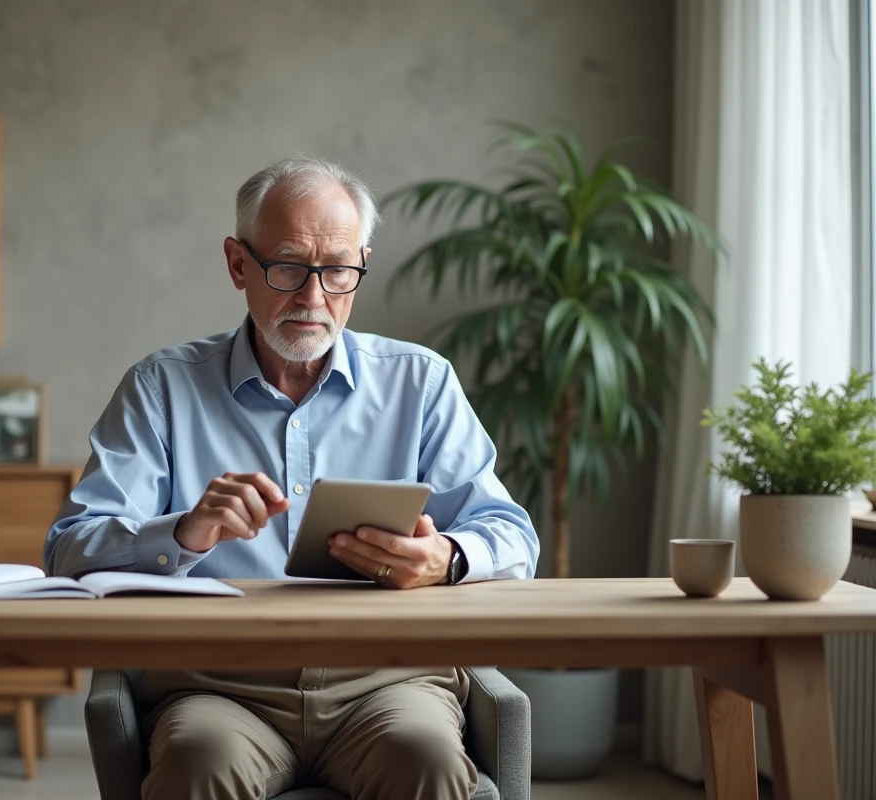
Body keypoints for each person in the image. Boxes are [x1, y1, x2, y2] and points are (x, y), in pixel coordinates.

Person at [44, 156, 539, 800]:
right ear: (237, 264)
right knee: (196, 765)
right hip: (217, 685)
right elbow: (67, 549)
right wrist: (183, 534)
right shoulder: (160, 387)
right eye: (287, 267)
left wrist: (445, 557)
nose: (313, 297)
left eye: (338, 269)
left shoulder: (421, 382)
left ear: (362, 262)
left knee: (426, 761)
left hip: (389, 681)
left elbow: (510, 534)